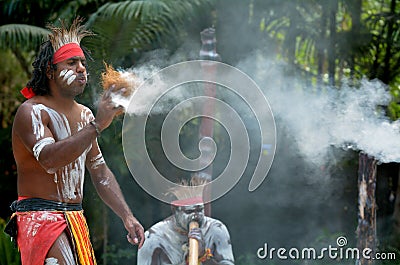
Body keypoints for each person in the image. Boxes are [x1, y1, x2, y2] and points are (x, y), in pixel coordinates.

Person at [5, 18, 144, 265]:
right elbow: (49, 160)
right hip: (41, 218)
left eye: (82, 62)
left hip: (75, 220)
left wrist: (127, 216)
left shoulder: (85, 115)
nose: (81, 68)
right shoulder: (33, 112)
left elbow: (100, 173)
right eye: (71, 62)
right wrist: (98, 125)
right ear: (50, 71)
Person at [137, 178, 234, 265]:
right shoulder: (153, 238)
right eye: (189, 211)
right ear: (175, 210)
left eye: (199, 210)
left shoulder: (216, 230)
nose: (195, 216)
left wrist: (203, 256)